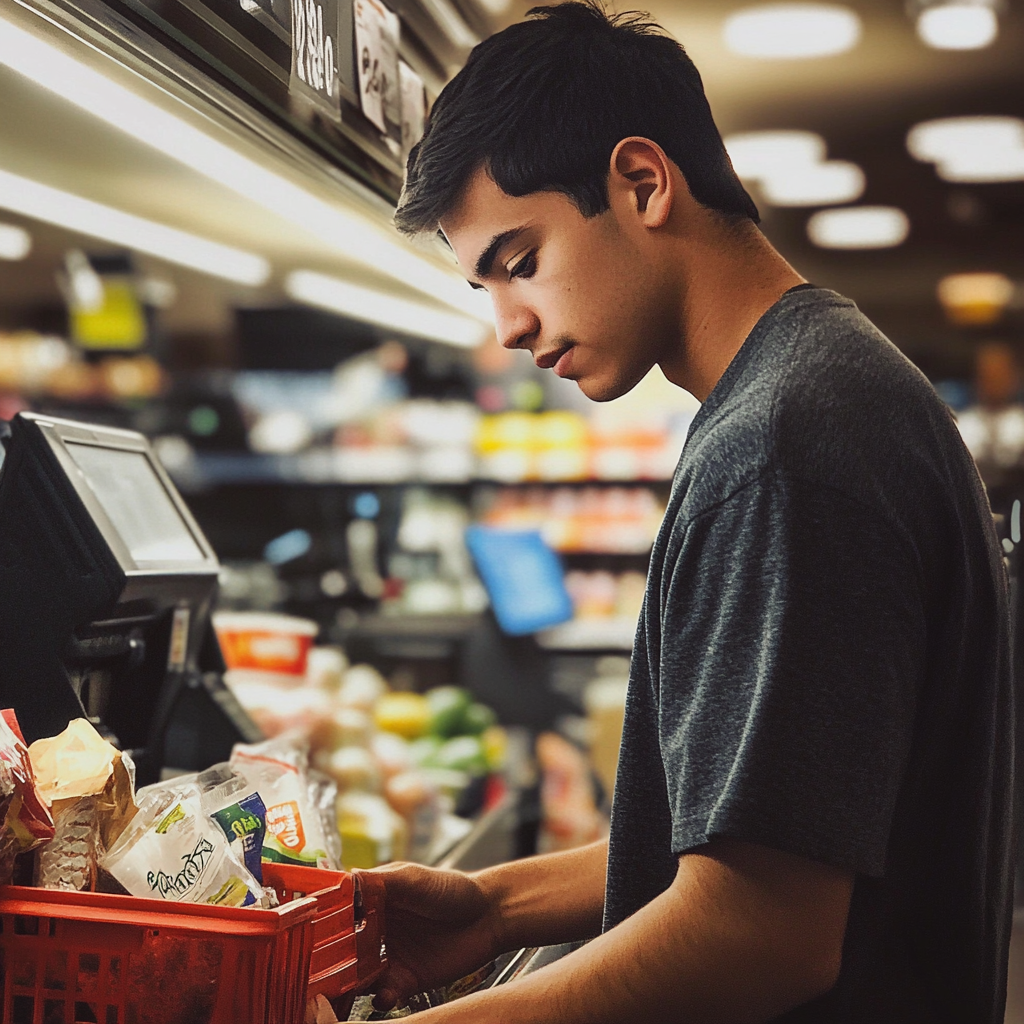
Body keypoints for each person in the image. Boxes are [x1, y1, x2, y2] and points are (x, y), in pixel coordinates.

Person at [367, 3, 1015, 1021]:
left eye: (519, 260)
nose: (506, 325)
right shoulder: (820, 389)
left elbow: (759, 931)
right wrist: (495, 907)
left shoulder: (785, 446)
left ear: (641, 182)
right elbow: (777, 833)